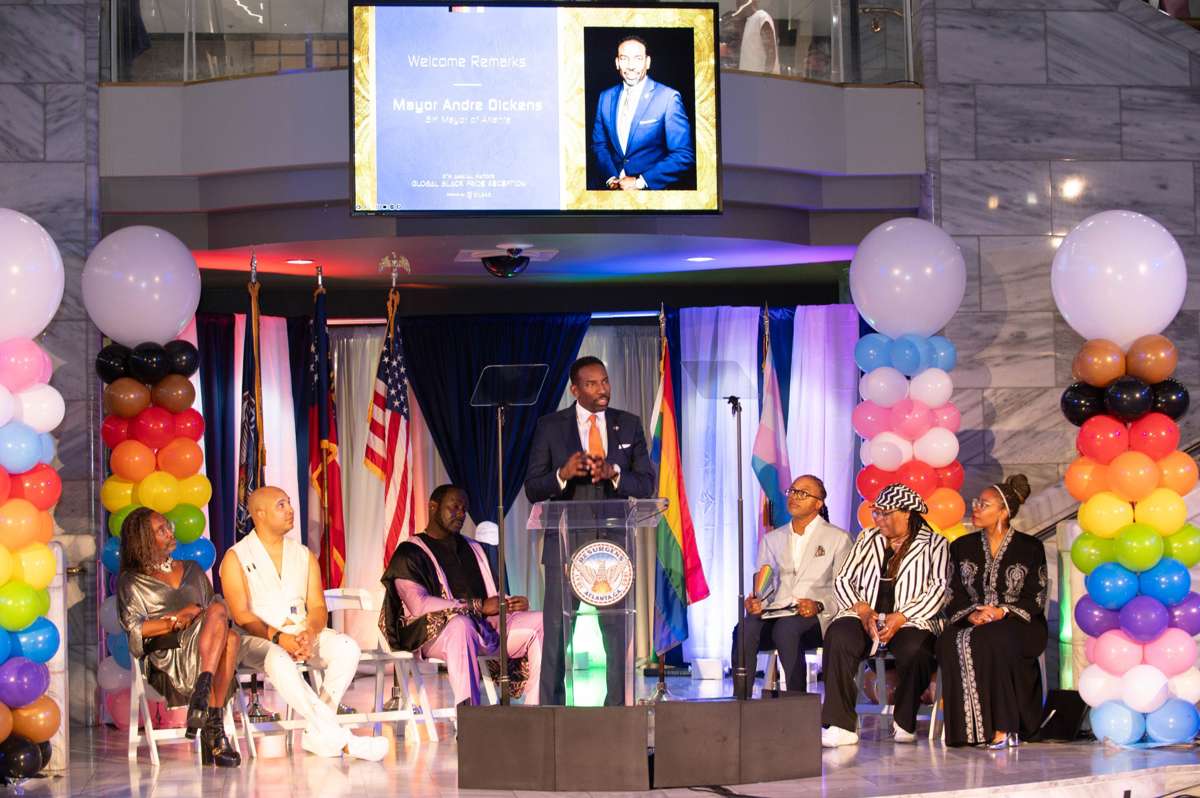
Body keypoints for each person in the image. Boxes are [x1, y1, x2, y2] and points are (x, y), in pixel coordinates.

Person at [219, 486, 388, 761]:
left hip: (300, 633)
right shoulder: (235, 557)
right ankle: (344, 741)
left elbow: (318, 607)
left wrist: (310, 632)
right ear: (259, 514)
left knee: (347, 647)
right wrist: (279, 638)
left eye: (289, 503)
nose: (290, 510)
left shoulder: (303, 554)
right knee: (278, 658)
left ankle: (317, 732)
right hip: (257, 640)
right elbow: (241, 615)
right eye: (281, 505)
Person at [525, 356, 656, 705]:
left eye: (605, 381)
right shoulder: (551, 427)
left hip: (614, 547)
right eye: (592, 383)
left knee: (616, 635)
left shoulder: (628, 425)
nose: (602, 389)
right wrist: (562, 474)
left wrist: (614, 473)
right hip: (565, 546)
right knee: (556, 635)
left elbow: (646, 484)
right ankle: (552, 711)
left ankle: (617, 711)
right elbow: (533, 488)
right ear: (575, 389)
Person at [381, 485, 543, 706]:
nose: (461, 514)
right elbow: (419, 605)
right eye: (455, 507)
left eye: (464, 509)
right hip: (434, 634)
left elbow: (491, 595)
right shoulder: (409, 552)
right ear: (433, 507)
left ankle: (536, 708)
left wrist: (510, 603)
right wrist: (477, 605)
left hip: (483, 630)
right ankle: (468, 714)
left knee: (540, 621)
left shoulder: (474, 548)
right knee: (461, 625)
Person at [821, 483, 949, 748]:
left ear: (907, 513)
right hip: (865, 615)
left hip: (912, 618)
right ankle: (840, 725)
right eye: (875, 512)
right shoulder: (867, 538)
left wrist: (901, 616)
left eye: (885, 513)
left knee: (916, 648)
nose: (878, 519)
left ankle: (905, 719)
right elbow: (843, 579)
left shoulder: (935, 544)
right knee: (839, 635)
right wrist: (862, 609)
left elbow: (939, 589)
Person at [116, 507, 241, 767]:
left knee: (223, 622)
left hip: (205, 649)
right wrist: (176, 619)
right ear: (143, 540)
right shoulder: (132, 581)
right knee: (229, 637)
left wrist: (195, 614)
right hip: (169, 653)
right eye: (161, 530)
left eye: (168, 526)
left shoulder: (192, 569)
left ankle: (203, 697)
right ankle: (213, 725)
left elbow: (215, 613)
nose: (170, 532)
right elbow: (135, 629)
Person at [937, 475, 1046, 748]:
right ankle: (968, 731)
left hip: (1020, 622)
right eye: (976, 502)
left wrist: (1002, 611)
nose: (975, 508)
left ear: (1003, 512)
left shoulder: (1030, 547)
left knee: (994, 638)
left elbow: (1036, 595)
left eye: (983, 505)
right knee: (950, 640)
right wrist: (971, 614)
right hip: (973, 619)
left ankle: (1004, 727)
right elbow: (952, 591)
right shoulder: (961, 547)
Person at [732, 475, 849, 693]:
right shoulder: (772, 539)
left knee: (786, 629)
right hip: (776, 612)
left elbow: (845, 588)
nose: (794, 496)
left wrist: (819, 604)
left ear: (818, 503)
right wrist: (757, 601)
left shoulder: (838, 538)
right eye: (792, 491)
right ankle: (740, 701)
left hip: (815, 616)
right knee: (744, 628)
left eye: (803, 493)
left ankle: (797, 701)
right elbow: (764, 583)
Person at [591, 35, 695, 191]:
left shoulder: (668, 98)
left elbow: (683, 154)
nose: (631, 66)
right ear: (617, 63)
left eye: (638, 58)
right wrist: (611, 178)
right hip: (610, 193)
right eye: (624, 59)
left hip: (650, 195)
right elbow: (599, 145)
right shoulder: (605, 97)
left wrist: (640, 182)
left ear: (648, 62)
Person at [735, 0, 779, 74]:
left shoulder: (762, 17)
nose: (737, 3)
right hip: (750, 78)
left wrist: (764, 79)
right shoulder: (749, 21)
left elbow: (771, 53)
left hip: (759, 79)